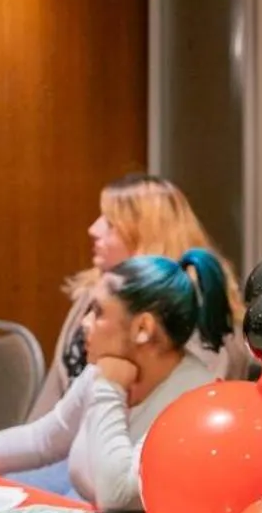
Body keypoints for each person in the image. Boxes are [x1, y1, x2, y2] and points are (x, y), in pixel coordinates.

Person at [0, 250, 231, 511]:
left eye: (98, 312)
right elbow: (43, 439)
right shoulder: (105, 370)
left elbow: (116, 495)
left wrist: (109, 389)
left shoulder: (191, 402)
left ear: (143, 328)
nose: (84, 323)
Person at [28, 174, 244, 420]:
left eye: (110, 223)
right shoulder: (92, 293)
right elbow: (50, 407)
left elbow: (191, 412)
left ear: (147, 234)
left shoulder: (190, 308)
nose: (93, 230)